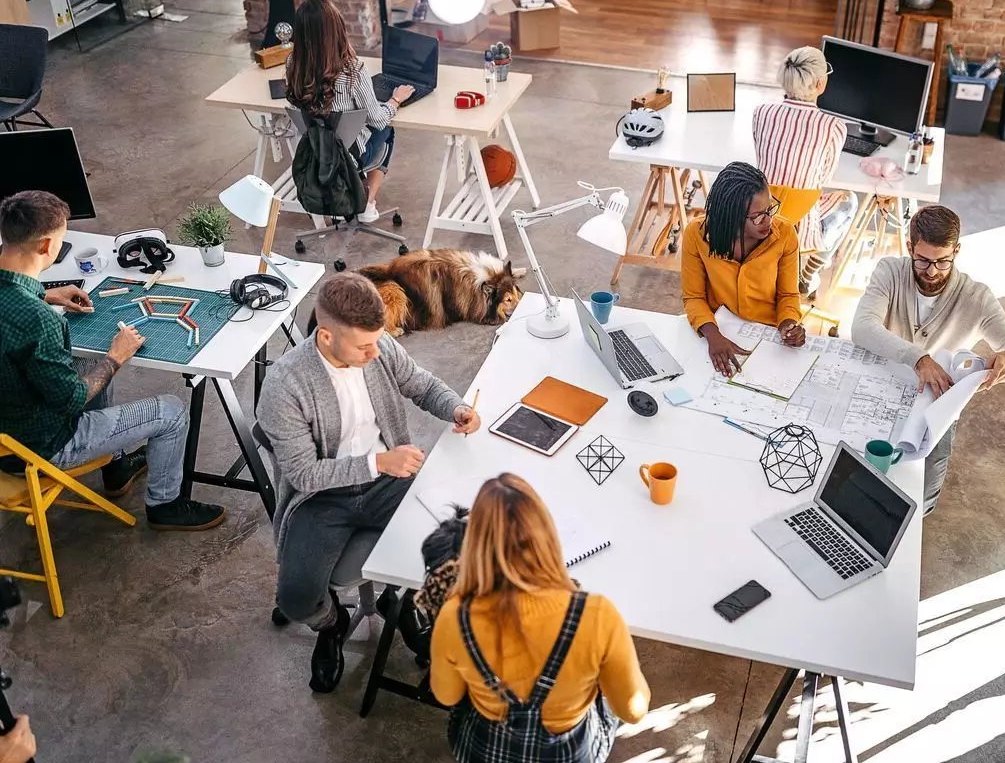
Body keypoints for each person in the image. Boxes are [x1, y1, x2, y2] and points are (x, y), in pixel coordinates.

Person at [257, 272, 480, 693]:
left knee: (453, 541)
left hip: (390, 482)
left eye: (377, 341)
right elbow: (305, 474)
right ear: (325, 337)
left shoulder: (378, 347)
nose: (375, 352)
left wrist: (456, 407)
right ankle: (333, 624)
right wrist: (378, 461)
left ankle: (408, 603)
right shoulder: (285, 385)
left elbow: (421, 384)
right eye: (364, 346)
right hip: (321, 498)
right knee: (297, 599)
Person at [0, 191, 225, 530]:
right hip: (40, 446)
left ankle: (117, 468)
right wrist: (116, 357)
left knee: (86, 364)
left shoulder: (26, 302)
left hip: (8, 428)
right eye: (61, 242)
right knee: (172, 411)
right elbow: (71, 399)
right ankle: (166, 505)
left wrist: (45, 293)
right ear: (46, 247)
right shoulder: (38, 320)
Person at [430, 474, 650, 762]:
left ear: (474, 545)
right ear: (546, 536)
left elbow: (446, 696)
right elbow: (633, 711)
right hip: (567, 754)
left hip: (485, 751)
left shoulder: (454, 616)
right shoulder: (597, 616)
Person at [851, 205, 1005, 515]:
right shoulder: (890, 272)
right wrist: (919, 358)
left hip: (935, 407)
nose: (933, 271)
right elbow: (861, 328)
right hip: (882, 387)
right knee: (855, 472)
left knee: (918, 501)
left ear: (957, 251)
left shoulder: (976, 297)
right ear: (910, 247)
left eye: (943, 261)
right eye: (923, 260)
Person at [285, 0, 410, 224]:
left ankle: (352, 194)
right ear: (337, 29)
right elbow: (377, 120)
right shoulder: (353, 70)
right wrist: (395, 100)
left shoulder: (293, 63)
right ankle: (366, 202)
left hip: (313, 154)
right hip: (347, 159)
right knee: (388, 131)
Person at [681, 161, 806, 377]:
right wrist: (713, 336)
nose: (767, 220)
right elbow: (693, 297)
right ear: (730, 216)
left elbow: (787, 294)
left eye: (770, 209)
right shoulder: (697, 235)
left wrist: (788, 324)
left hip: (767, 334)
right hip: (717, 328)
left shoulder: (785, 234)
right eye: (757, 216)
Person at [752, 46, 856, 296]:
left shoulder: (761, 112)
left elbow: (760, 155)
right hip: (800, 222)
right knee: (849, 201)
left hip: (759, 216)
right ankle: (808, 275)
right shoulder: (833, 126)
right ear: (820, 84)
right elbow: (824, 178)